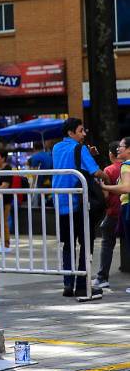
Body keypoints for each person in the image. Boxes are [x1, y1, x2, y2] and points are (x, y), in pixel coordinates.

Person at [52, 118, 108, 297]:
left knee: (67, 245)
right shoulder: (81, 149)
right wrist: (109, 177)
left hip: (60, 203)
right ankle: (83, 284)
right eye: (81, 131)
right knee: (86, 243)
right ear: (71, 133)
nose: (84, 134)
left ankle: (68, 284)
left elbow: (69, 161)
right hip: (79, 203)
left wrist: (85, 154)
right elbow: (96, 172)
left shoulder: (56, 148)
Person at [100, 136, 130, 294]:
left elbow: (125, 188)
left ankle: (102, 277)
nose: (119, 149)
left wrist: (106, 186)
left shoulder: (122, 167)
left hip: (122, 208)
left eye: (122, 146)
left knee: (109, 243)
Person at [92, 141, 122, 290]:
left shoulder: (109, 170)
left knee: (107, 243)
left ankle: (102, 277)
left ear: (111, 154)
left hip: (113, 212)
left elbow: (105, 196)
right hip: (125, 211)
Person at [0, 149, 13, 253]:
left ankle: (7, 245)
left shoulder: (8, 168)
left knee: (2, 222)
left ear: (3, 158)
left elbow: (5, 185)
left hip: (4, 201)